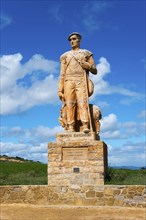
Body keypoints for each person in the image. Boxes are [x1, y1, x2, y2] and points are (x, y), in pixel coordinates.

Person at [58, 32, 97, 133]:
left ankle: (85, 125)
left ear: (79, 40)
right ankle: (71, 126)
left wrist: (88, 66)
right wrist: (60, 89)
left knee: (82, 102)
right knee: (69, 104)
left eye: (74, 39)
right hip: (68, 81)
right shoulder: (65, 56)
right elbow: (62, 74)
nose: (72, 41)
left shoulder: (86, 53)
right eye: (70, 40)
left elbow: (95, 70)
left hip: (81, 79)